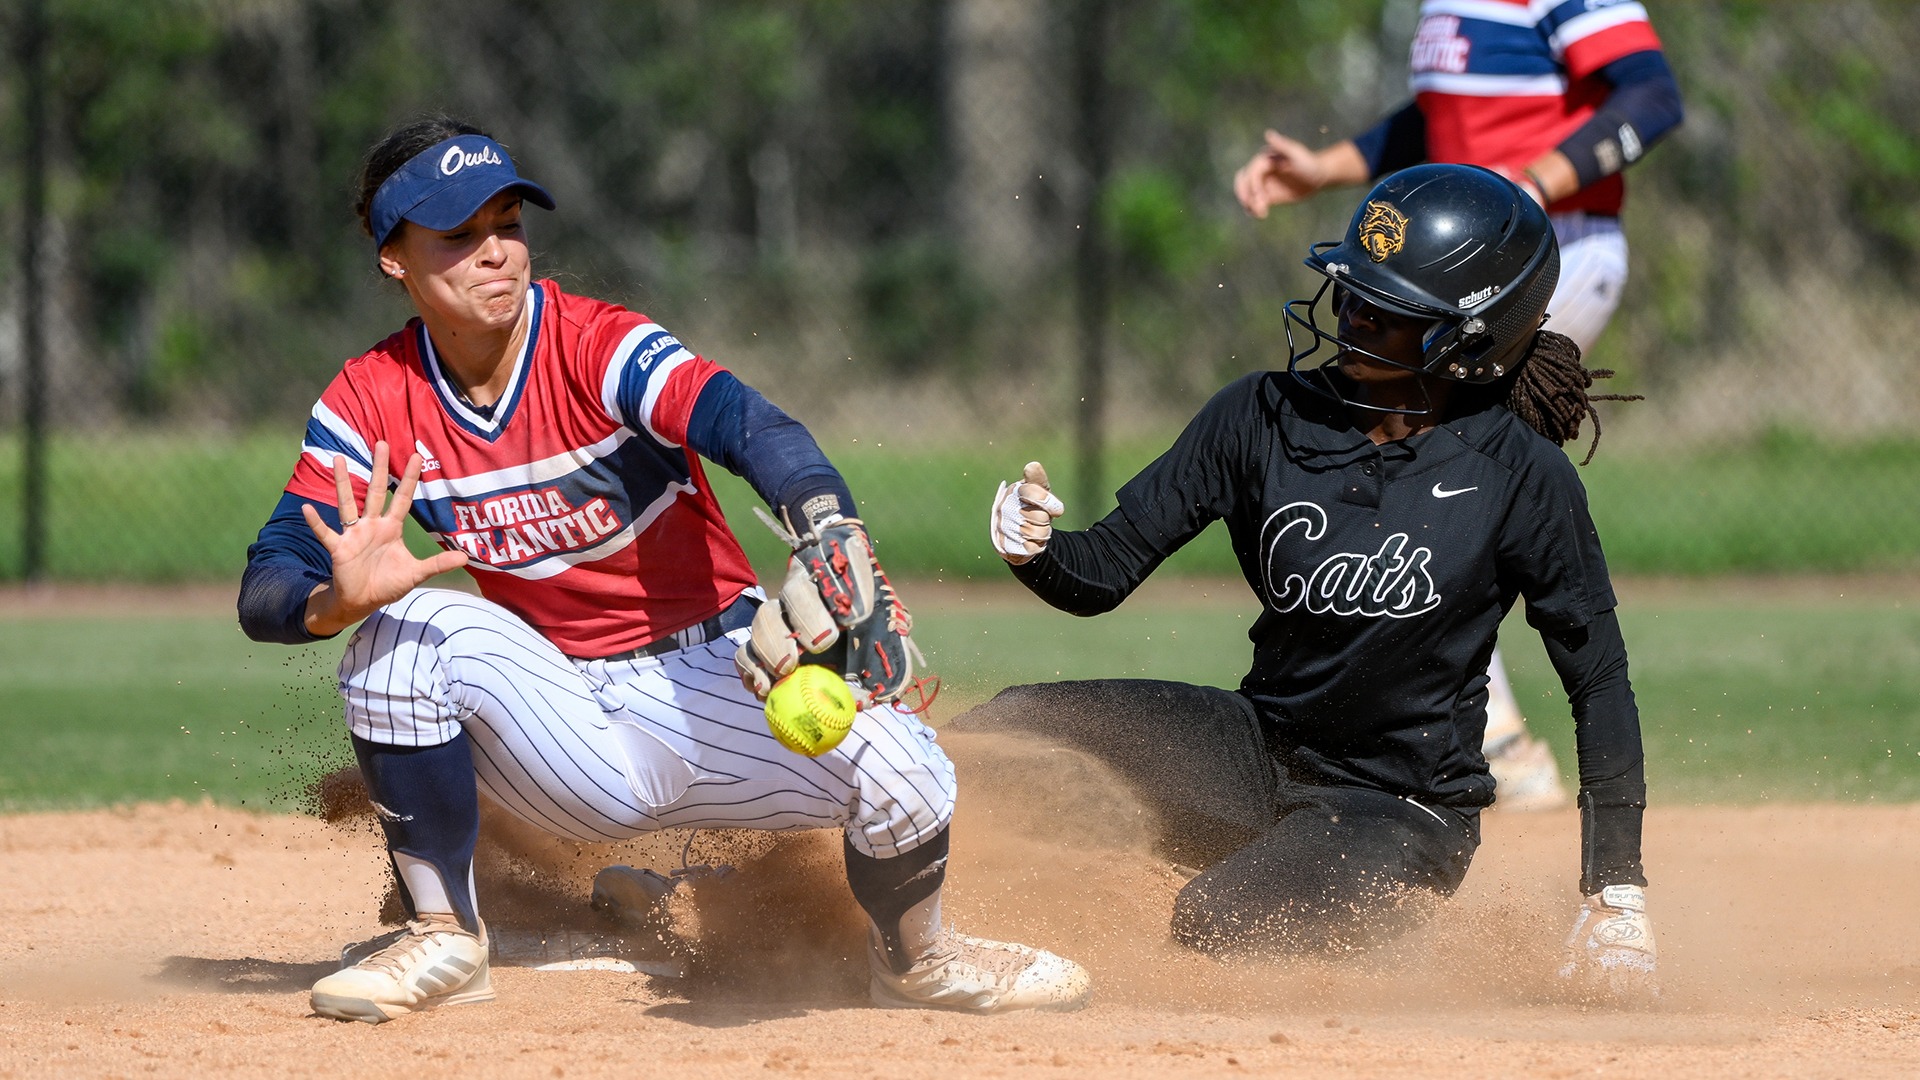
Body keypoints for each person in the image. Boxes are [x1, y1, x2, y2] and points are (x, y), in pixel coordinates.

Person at [238, 116, 1089, 1024]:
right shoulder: (372, 397)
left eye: (508, 224)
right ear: (393, 258)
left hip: (717, 679)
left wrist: (823, 522)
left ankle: (917, 960)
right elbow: (268, 580)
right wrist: (331, 601)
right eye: (458, 234)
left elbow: (746, 423)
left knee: (907, 771)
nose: (496, 253)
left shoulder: (596, 345)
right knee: (401, 634)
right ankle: (445, 934)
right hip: (556, 714)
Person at [959, 164, 1656, 995]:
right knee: (1004, 733)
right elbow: (1101, 573)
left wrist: (1617, 893)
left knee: (1221, 919)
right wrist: (1037, 549)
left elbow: (1597, 678)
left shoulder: (1520, 475)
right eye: (1352, 289)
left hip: (1399, 805)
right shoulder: (1260, 414)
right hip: (1257, 748)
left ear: (1471, 337)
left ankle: (1378, 924)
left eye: (1387, 307)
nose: (1353, 313)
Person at [1232, 0, 1683, 812]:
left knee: (1436, 466)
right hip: (1463, 270)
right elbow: (1440, 121)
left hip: (1547, 251)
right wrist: (1326, 167)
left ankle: (1480, 739)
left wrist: (1530, 184)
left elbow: (1652, 97)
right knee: (1425, 473)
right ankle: (1479, 737)